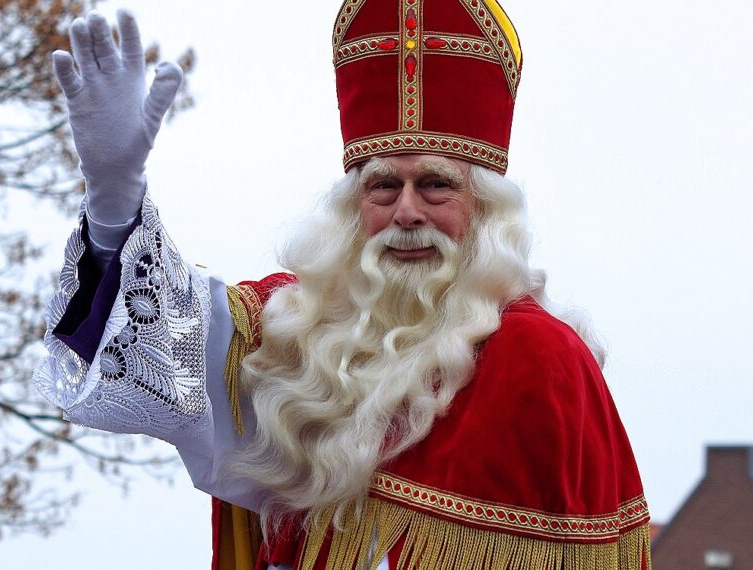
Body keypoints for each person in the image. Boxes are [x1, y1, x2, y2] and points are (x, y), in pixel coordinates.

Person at [33, 2, 652, 569]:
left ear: (486, 209)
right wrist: (114, 198)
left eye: (435, 184)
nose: (406, 212)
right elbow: (153, 348)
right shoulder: (298, 336)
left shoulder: (542, 358)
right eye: (383, 187)